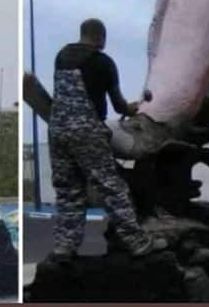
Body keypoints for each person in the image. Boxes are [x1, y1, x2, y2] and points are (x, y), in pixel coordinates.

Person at [47, 18, 154, 262]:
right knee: (111, 187)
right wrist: (132, 108)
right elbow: (118, 104)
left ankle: (65, 246)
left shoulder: (61, 57)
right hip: (87, 131)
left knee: (68, 190)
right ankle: (136, 242)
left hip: (58, 131)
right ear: (101, 38)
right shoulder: (103, 62)